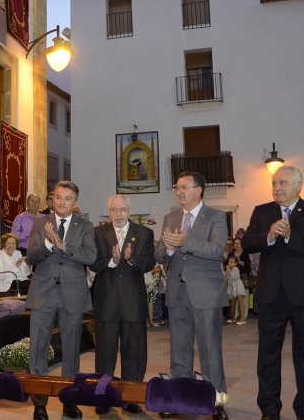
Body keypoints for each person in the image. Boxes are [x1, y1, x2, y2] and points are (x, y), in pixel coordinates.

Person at [242, 166, 304, 420]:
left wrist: (290, 236)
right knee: (267, 356)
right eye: (274, 183)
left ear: (299, 186)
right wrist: (268, 236)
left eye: (283, 183)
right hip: (271, 295)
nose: (277, 188)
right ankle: (269, 410)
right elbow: (247, 243)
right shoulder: (262, 211)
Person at [155, 170, 230, 420]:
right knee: (179, 350)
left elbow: (217, 250)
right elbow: (159, 255)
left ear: (198, 190)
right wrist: (167, 248)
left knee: (210, 350)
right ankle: (180, 400)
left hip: (206, 293)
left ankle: (216, 401)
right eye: (176, 188)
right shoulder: (170, 217)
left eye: (183, 187)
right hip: (177, 292)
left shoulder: (216, 217)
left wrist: (183, 242)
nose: (178, 192)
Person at [26, 180, 96, 420]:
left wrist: (63, 246)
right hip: (43, 293)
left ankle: (70, 401)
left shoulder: (85, 226)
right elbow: (31, 256)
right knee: (37, 349)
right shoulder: (40, 223)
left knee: (71, 350)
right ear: (52, 199)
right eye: (58, 197)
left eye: (68, 198)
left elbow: (90, 256)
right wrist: (48, 243)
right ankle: (39, 404)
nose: (62, 202)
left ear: (75, 202)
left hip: (72, 294)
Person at [89, 194, 154, 415]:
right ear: (108, 212)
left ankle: (130, 397)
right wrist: (112, 261)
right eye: (114, 210)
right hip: (106, 302)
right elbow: (93, 262)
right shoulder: (98, 233)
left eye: (123, 210)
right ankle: (103, 396)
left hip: (133, 302)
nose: (118, 214)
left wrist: (131, 259)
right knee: (104, 353)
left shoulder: (144, 233)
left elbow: (149, 263)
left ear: (129, 211)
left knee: (134, 351)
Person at [225, 255, 246, 325]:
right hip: (232, 287)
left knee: (240, 302)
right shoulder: (228, 270)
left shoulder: (235, 268)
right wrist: (227, 272)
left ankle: (242, 319)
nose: (229, 263)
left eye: (232, 262)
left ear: (235, 263)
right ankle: (232, 318)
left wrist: (228, 270)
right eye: (229, 262)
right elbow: (227, 278)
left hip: (238, 286)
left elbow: (233, 277)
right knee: (232, 303)